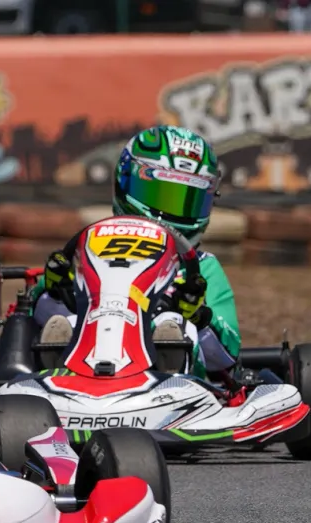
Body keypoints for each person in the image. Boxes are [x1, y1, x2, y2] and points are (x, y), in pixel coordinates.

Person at [32, 125, 241, 381]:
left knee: (174, 325)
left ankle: (169, 357)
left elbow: (228, 353)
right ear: (126, 180)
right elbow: (32, 313)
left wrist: (198, 316)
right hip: (79, 369)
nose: (171, 211)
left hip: (166, 385)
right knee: (65, 321)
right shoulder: (85, 251)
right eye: (161, 195)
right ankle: (55, 366)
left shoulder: (201, 268)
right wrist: (56, 292)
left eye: (184, 200)